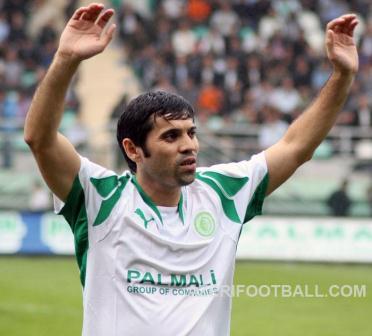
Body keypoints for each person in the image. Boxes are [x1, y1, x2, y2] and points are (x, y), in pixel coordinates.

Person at [24, 4, 359, 336]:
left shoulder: (223, 192)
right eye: (171, 136)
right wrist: (66, 60)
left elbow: (296, 147)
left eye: (191, 132)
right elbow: (40, 139)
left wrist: (342, 76)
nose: (189, 145)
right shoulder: (99, 198)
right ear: (133, 149)